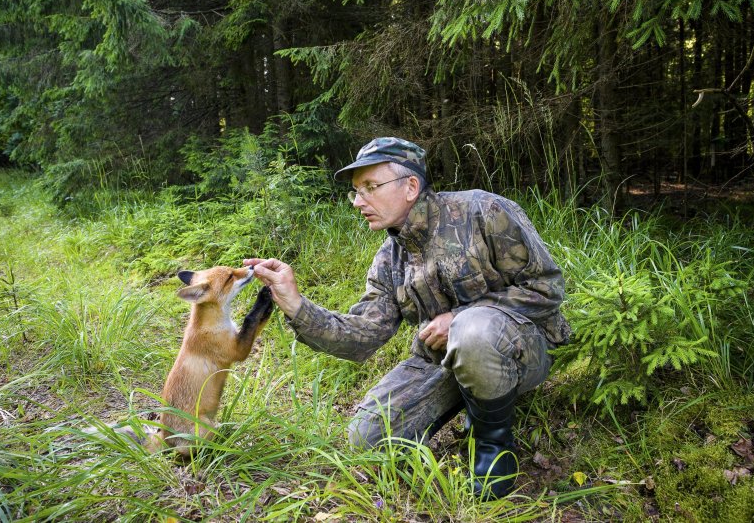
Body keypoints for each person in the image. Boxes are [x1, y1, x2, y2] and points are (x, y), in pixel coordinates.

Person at [244, 137, 570, 500]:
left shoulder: (484, 211)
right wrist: (294, 303)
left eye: (370, 187)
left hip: (525, 348)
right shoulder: (389, 259)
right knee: (365, 438)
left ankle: (493, 445)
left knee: (473, 329)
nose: (357, 201)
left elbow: (546, 289)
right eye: (355, 191)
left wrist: (458, 318)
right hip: (443, 360)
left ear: (411, 186)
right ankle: (472, 393)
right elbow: (362, 336)